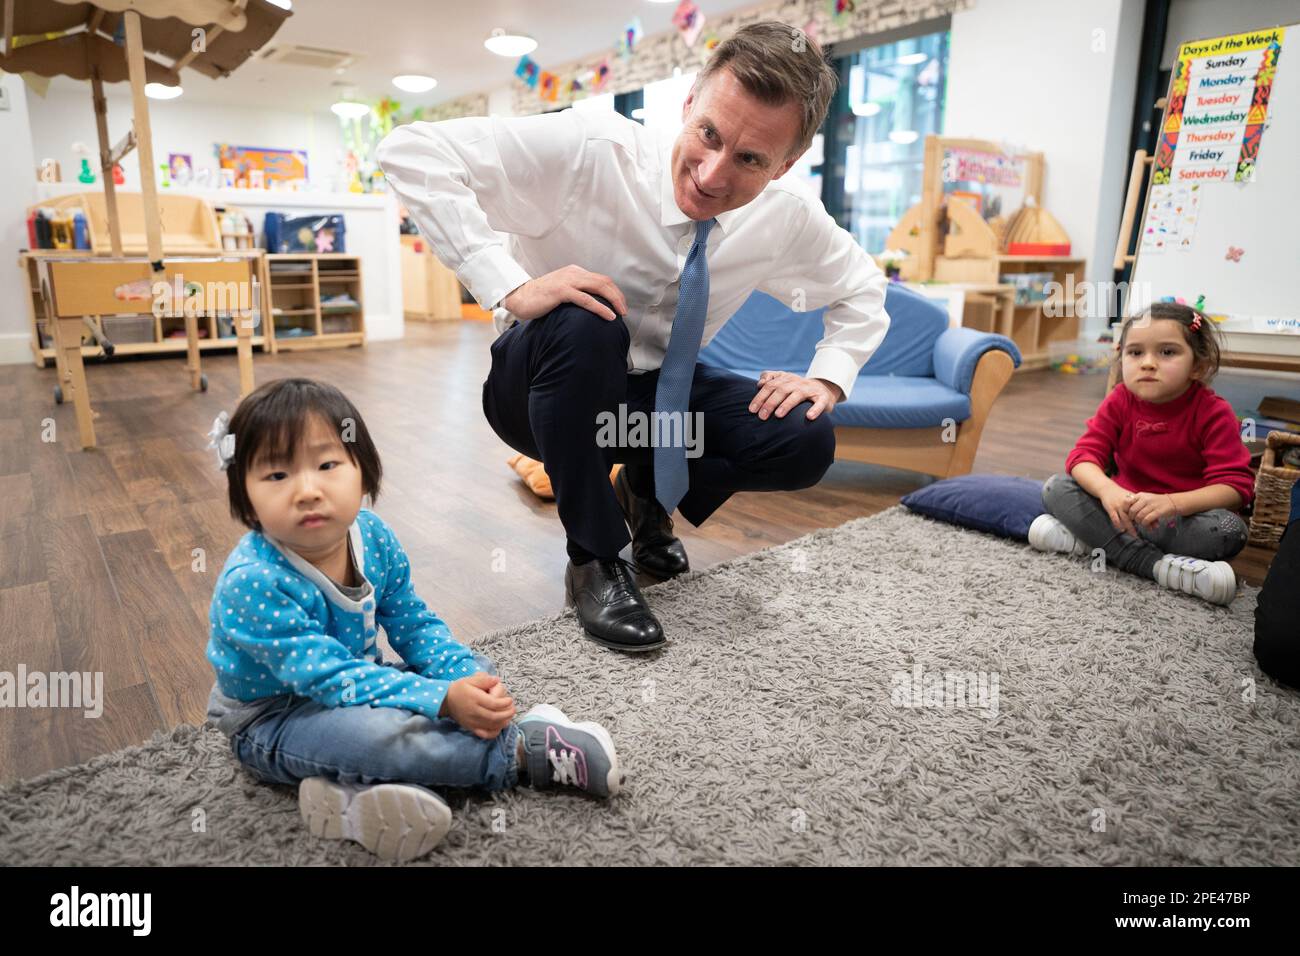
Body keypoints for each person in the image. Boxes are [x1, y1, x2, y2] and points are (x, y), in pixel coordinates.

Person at [377, 21, 891, 652]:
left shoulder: (787, 220)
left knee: (802, 439)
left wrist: (827, 376)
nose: (711, 173)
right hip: (537, 389)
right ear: (689, 103)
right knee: (586, 318)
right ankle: (595, 558)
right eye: (708, 134)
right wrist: (509, 284)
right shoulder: (587, 147)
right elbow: (410, 150)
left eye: (750, 160)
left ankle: (643, 489)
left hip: (650, 406)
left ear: (785, 164)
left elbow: (864, 286)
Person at [203, 378, 622, 862]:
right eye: (276, 476)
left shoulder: (372, 536)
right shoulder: (254, 581)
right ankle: (526, 753)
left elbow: (413, 623)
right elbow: (329, 678)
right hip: (274, 718)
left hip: (359, 680)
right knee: (379, 736)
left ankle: (347, 802)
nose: (307, 490)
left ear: (363, 470)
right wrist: (441, 701)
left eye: (327, 465)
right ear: (244, 495)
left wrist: (463, 677)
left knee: (452, 686)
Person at [1030, 302, 1254, 605]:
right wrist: (1108, 491)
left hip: (1178, 521)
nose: (1148, 363)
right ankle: (1153, 565)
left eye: (1167, 352)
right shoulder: (1120, 399)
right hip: (1121, 510)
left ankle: (1092, 541)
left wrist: (1172, 503)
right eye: (1136, 353)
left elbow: (1236, 488)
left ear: (1198, 366)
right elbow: (1082, 459)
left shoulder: (1214, 412)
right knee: (1056, 487)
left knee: (1229, 530)